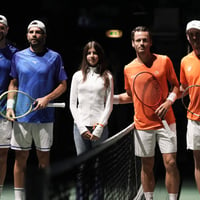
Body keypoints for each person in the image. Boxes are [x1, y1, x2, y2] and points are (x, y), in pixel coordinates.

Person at [114, 26, 180, 200]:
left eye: (144, 40)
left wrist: (168, 101)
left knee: (171, 163)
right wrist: (108, 99)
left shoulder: (164, 61)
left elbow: (176, 86)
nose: (141, 43)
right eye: (138, 40)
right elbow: (131, 96)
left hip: (167, 122)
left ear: (150, 42)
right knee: (146, 166)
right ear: (133, 44)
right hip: (143, 125)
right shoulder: (128, 68)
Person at [6, 19, 67, 200]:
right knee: (20, 159)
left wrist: (47, 98)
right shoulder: (18, 56)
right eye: (31, 32)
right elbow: (13, 82)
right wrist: (10, 106)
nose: (34, 35)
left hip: (45, 118)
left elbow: (63, 85)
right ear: (27, 35)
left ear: (44, 35)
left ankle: (43, 196)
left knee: (43, 160)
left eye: (38, 32)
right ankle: (19, 198)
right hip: (22, 117)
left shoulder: (55, 57)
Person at [70, 40, 113, 155]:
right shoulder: (77, 76)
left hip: (100, 128)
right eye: (89, 53)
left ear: (100, 55)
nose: (92, 56)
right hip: (80, 127)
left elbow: (109, 105)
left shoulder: (107, 76)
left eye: (95, 53)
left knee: (99, 164)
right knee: (82, 166)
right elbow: (72, 104)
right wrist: (81, 127)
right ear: (85, 56)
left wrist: (100, 127)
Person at [180, 20, 200, 194]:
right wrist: (167, 99)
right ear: (187, 37)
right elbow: (183, 88)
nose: (195, 37)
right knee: (198, 164)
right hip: (194, 120)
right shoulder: (185, 61)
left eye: (198, 34)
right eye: (191, 34)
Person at [0, 15, 18, 197]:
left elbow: (14, 82)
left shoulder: (14, 54)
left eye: (1, 27)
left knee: (2, 156)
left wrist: (10, 106)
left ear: (6, 29)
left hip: (3, 112)